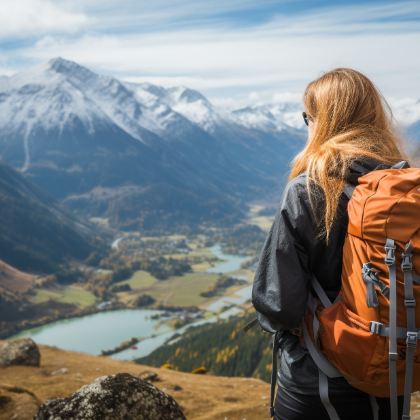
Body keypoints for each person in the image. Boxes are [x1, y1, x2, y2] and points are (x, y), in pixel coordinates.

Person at [251, 67, 411, 420]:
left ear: (321, 121)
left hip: (318, 381)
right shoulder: (403, 188)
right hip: (395, 372)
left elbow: (278, 304)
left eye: (307, 117)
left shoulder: (309, 191)